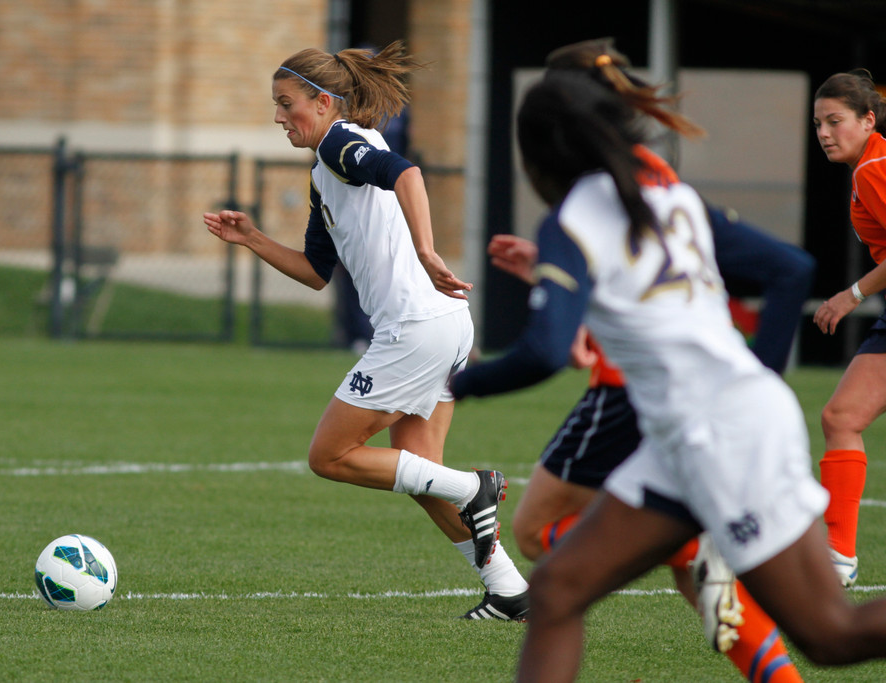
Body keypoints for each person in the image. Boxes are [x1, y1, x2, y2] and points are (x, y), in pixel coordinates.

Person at [450, 69, 886, 681]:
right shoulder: (671, 196)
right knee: (557, 590)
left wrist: (460, 383)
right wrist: (756, 381)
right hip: (698, 435)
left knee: (831, 635)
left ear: (541, 153)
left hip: (719, 436)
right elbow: (790, 268)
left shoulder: (571, 219)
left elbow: (544, 354)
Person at [203, 41, 529, 619]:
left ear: (324, 102)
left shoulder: (338, 143)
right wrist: (252, 239)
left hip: (415, 326)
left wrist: (427, 251)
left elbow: (406, 173)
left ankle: (473, 487)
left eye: (286, 103)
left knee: (330, 456)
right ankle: (509, 589)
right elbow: (315, 274)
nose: (278, 116)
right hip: (443, 325)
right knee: (416, 465)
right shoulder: (324, 171)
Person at [812, 69, 886, 588]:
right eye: (818, 123)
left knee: (841, 417)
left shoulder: (873, 169)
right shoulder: (871, 163)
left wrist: (852, 294)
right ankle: (837, 556)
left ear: (868, 120)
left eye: (836, 121)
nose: (824, 132)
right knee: (841, 416)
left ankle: (837, 556)